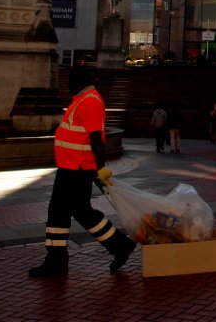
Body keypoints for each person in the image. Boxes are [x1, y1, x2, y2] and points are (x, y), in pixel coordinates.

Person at [28, 66, 136, 278]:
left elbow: (96, 138)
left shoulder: (90, 102)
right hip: (74, 167)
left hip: (76, 168)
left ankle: (57, 260)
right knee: (80, 212)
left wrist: (100, 167)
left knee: (61, 212)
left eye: (70, 79)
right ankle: (119, 246)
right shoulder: (83, 99)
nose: (68, 84)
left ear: (79, 80)